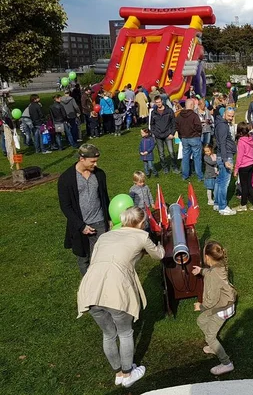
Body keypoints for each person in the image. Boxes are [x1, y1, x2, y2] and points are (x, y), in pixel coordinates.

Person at [77, 207, 165, 388]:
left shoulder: (104, 236)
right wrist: (162, 244)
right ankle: (127, 373)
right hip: (115, 289)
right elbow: (159, 255)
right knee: (125, 332)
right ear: (141, 223)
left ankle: (118, 373)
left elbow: (95, 259)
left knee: (108, 334)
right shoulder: (142, 236)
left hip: (89, 288)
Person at [57, 144, 110, 275]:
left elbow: (105, 197)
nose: (96, 164)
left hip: (99, 222)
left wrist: (108, 218)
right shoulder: (66, 179)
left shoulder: (99, 175)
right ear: (82, 159)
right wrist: (81, 226)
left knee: (100, 258)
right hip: (80, 225)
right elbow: (65, 206)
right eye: (92, 161)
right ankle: (88, 290)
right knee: (83, 260)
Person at [191, 240, 236, 376]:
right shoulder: (218, 266)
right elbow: (211, 273)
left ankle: (226, 363)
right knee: (201, 321)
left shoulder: (213, 276)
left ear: (208, 257)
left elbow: (212, 298)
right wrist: (202, 271)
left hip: (222, 308)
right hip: (224, 304)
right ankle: (214, 346)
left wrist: (201, 306)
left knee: (210, 336)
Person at [214, 107, 237, 215]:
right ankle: (223, 207)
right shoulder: (223, 126)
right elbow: (222, 143)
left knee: (219, 181)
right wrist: (225, 160)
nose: (231, 118)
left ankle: (217, 203)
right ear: (224, 114)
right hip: (225, 156)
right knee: (224, 183)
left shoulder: (219, 123)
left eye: (232, 116)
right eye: (229, 116)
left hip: (221, 155)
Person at [233, 122, 253, 212]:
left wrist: (236, 169)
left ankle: (243, 205)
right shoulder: (251, 139)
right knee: (249, 185)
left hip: (244, 165)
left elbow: (239, 157)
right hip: (251, 164)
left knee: (244, 186)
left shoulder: (241, 141)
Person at [176, 99, 204, 182]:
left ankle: (185, 175)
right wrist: (198, 134)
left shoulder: (179, 115)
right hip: (194, 138)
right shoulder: (194, 115)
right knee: (197, 157)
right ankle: (199, 176)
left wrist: (181, 135)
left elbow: (176, 127)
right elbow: (199, 127)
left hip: (184, 139)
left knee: (185, 157)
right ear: (191, 105)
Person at [150, 95, 179, 174]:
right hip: (158, 136)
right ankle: (165, 168)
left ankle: (175, 167)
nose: (158, 104)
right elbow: (152, 124)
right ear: (155, 103)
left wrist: (172, 133)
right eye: (157, 102)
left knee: (171, 152)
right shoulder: (153, 112)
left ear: (162, 101)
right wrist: (155, 133)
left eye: (159, 102)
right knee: (161, 153)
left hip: (168, 135)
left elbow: (174, 123)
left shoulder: (169, 111)